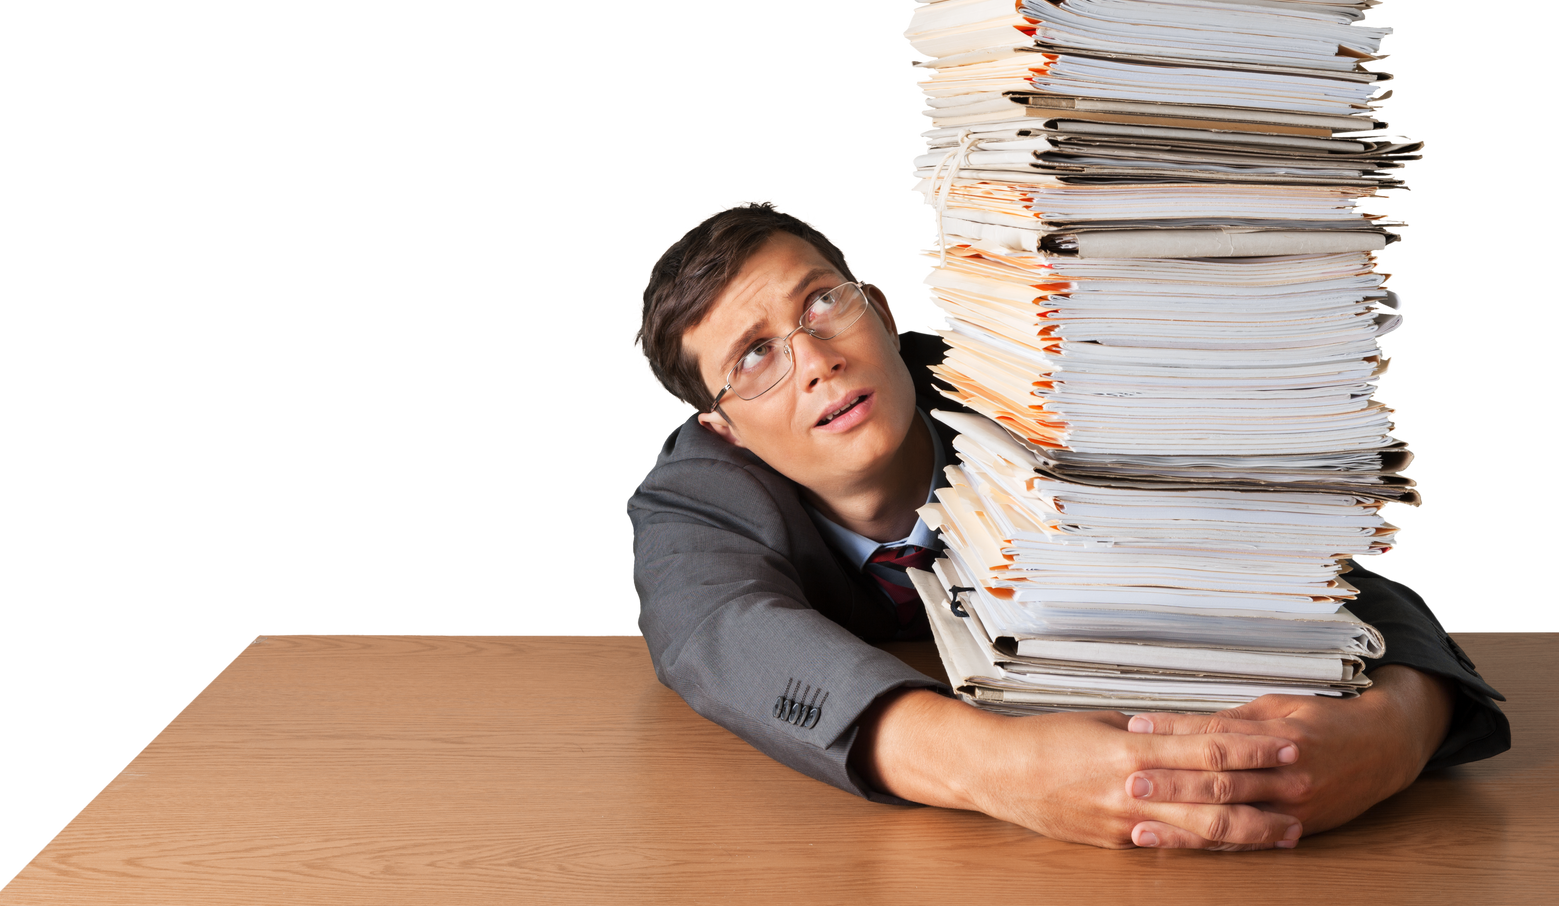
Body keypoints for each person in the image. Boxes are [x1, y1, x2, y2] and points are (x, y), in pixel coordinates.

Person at [625, 198, 1508, 851]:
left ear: (884, 312)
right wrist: (990, 767)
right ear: (723, 427)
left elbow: (1328, 575)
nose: (813, 360)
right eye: (753, 357)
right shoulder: (694, 491)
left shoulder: (1044, 389)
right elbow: (711, 629)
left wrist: (1400, 728)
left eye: (821, 303)